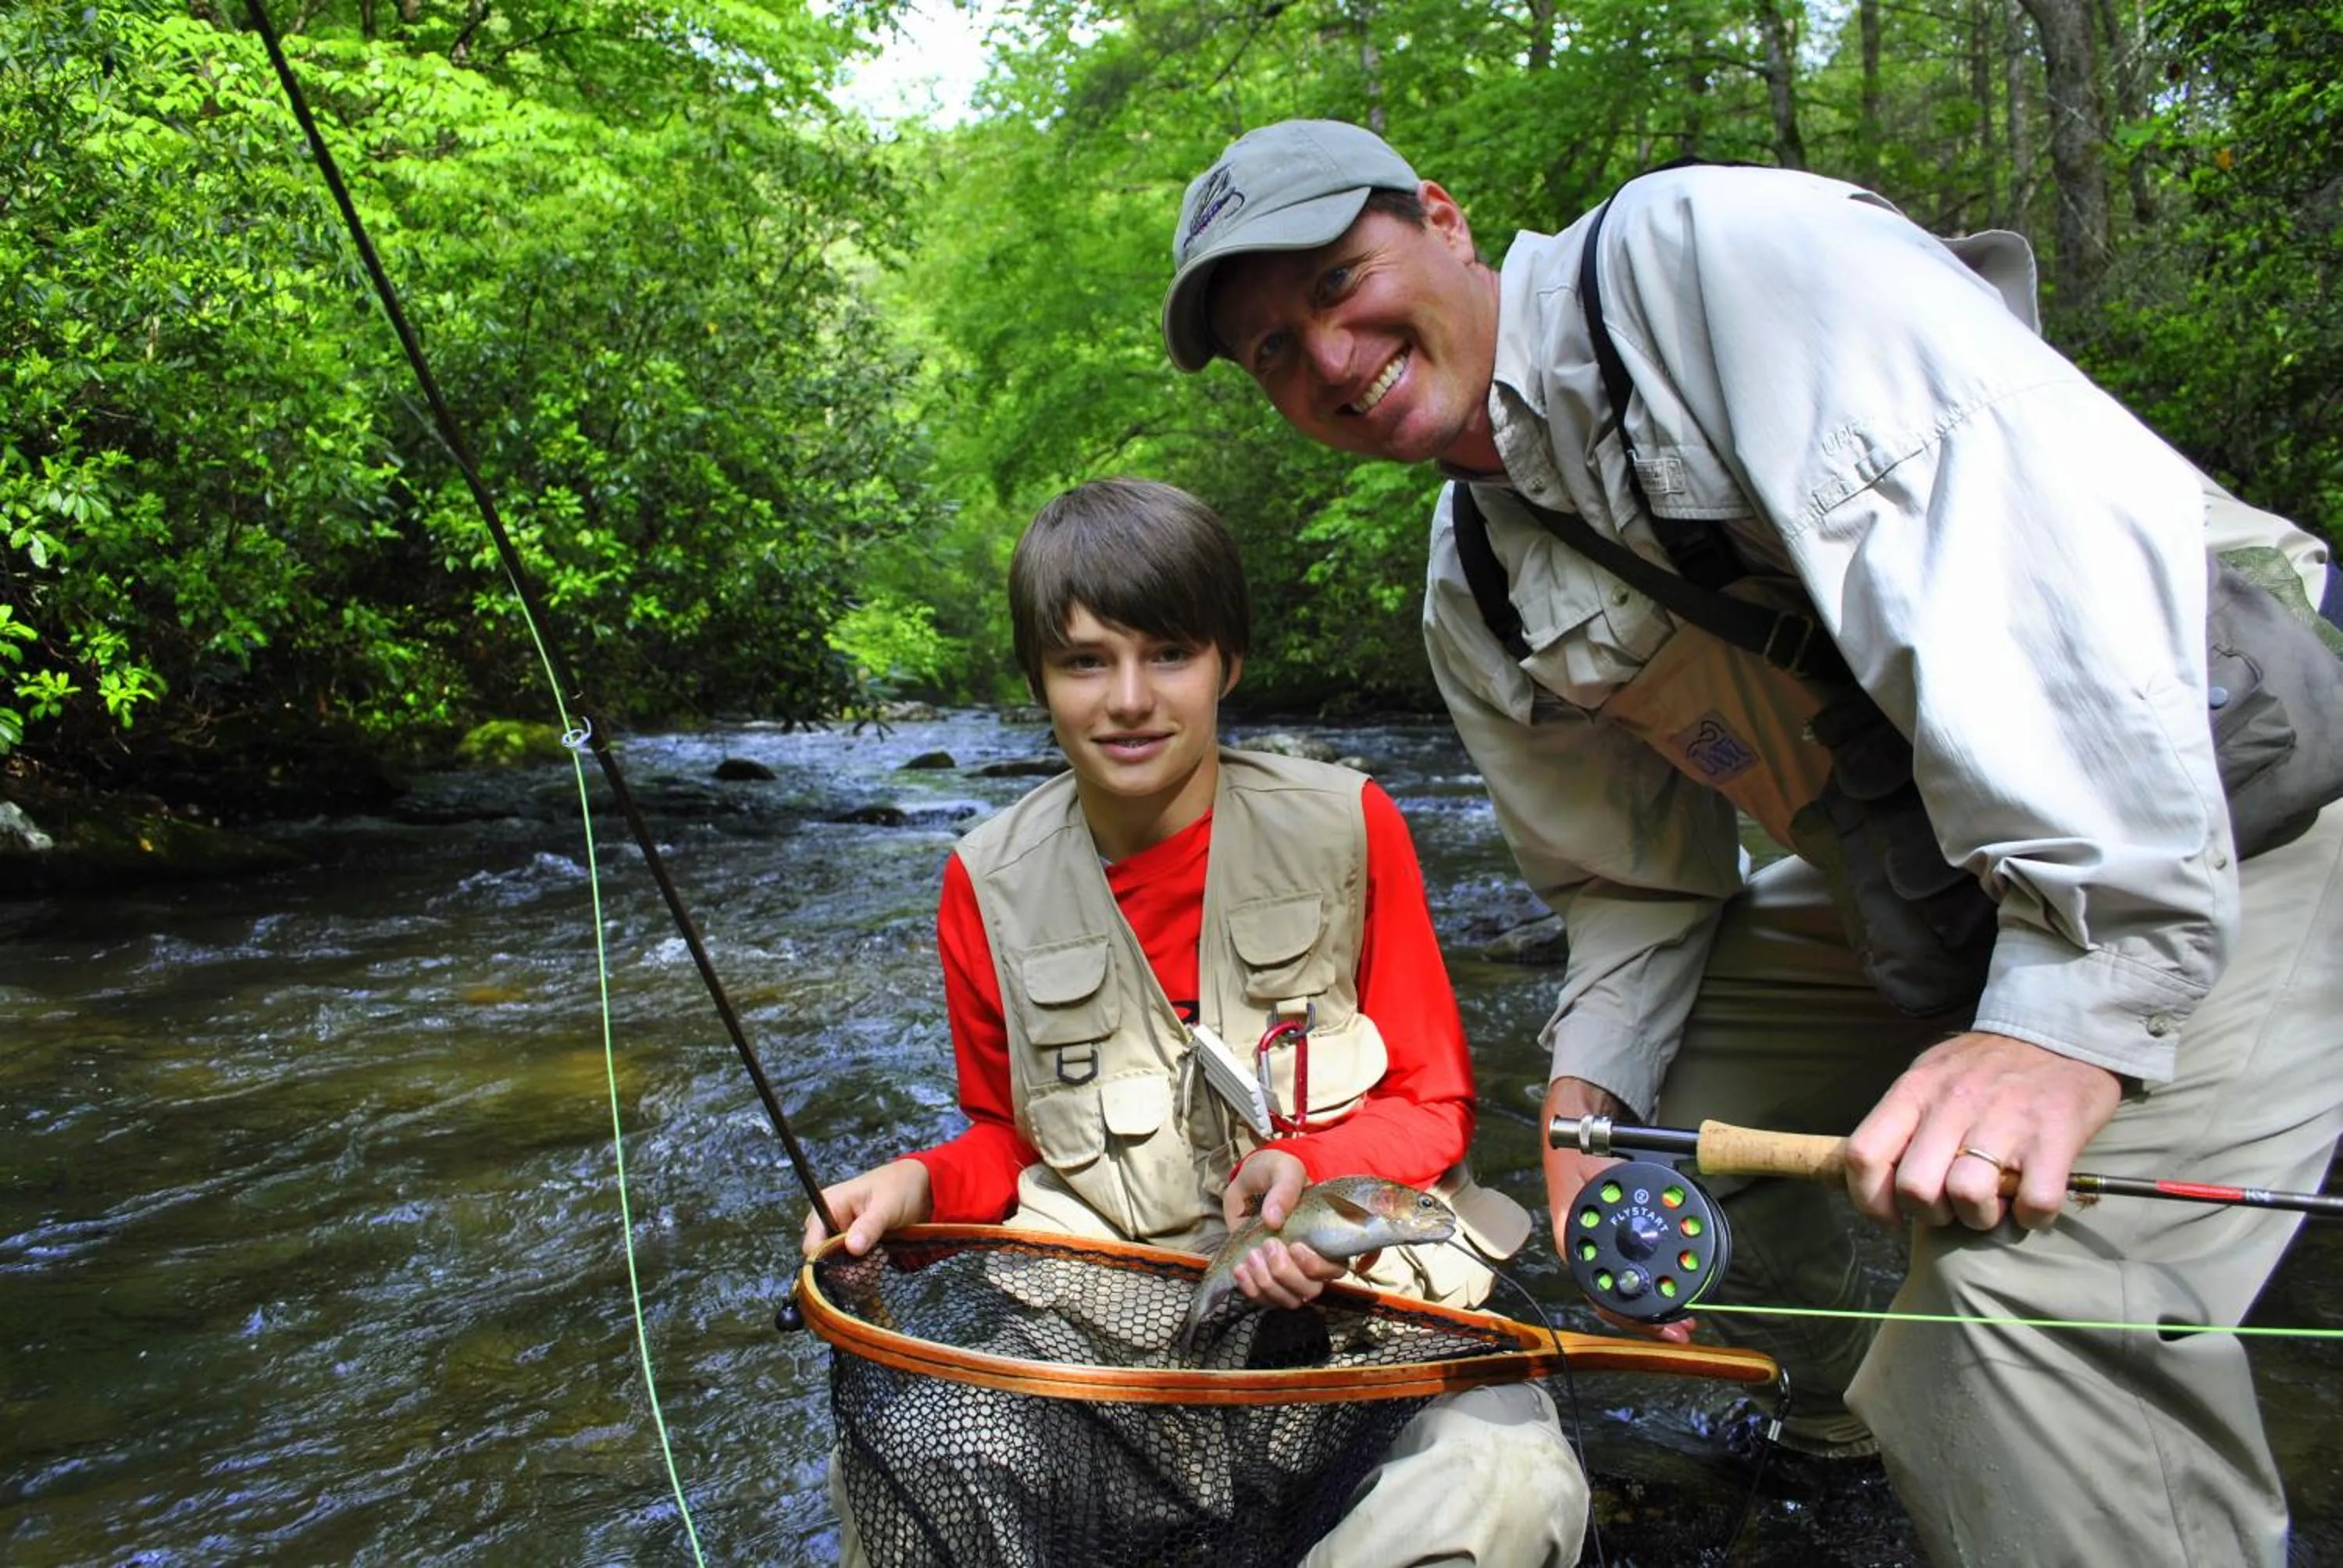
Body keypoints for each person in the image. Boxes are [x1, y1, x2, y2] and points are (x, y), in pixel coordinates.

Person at [1162, 116, 2343, 1566]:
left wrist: (2064, 1026)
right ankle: (1836, 1423)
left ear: (1446, 221)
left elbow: (2049, 621)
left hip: (2216, 808)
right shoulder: (1477, 588)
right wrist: (1582, 1107)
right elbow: (1629, 888)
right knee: (1654, 1142)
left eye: (1342, 282)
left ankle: (2018, 1434)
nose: (1329, 360)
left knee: (2015, 1316)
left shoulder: (1716, 265)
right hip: (1943, 880)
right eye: (1273, 350)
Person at [801, 477, 1586, 1566]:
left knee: (1507, 1488)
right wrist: (917, 1188)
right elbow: (1007, 1140)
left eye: (1168, 653)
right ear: (1039, 680)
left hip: (1360, 1331)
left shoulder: (1351, 825)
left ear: (1229, 663)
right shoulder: (980, 884)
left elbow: (1435, 1104)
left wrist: (1313, 1173)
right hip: (1108, 1349)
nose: (1129, 699)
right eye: (1085, 660)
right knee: (918, 1458)